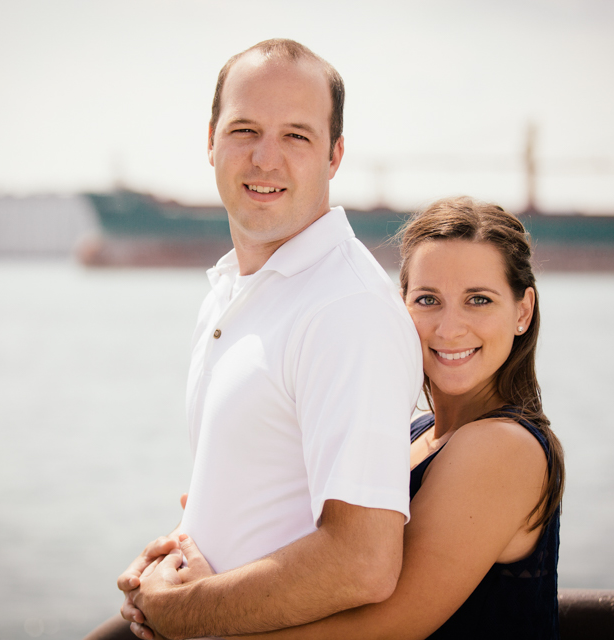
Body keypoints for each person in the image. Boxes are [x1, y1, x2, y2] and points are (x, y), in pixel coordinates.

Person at [83, 39, 422, 640]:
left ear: (335, 154)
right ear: (210, 139)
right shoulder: (232, 291)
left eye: (297, 135)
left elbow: (363, 562)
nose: (266, 159)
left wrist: (179, 610)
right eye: (245, 130)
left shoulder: (346, 309)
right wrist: (167, 566)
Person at [154, 196, 566, 639]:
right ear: (400, 305)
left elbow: (388, 626)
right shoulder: (414, 434)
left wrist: (198, 612)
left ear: (522, 311)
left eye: (479, 300)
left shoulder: (503, 447)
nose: (449, 328)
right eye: (428, 299)